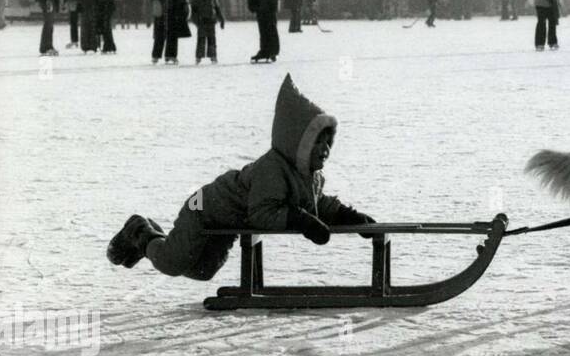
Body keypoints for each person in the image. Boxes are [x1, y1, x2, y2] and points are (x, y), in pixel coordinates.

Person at [107, 74, 376, 280]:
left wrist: (347, 216)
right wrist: (302, 221)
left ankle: (152, 236)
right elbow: (262, 214)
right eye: (319, 143)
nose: (326, 150)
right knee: (172, 262)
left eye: (329, 143)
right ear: (298, 142)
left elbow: (317, 203)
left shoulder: (309, 176)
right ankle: (141, 233)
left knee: (203, 271)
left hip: (226, 218)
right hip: (202, 207)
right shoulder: (272, 169)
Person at [190, 0, 226, 64]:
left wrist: (221, 19)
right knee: (201, 40)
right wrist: (196, 21)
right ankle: (199, 57)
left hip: (211, 21)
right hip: (201, 21)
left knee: (212, 40)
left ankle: (213, 56)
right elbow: (193, 10)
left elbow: (217, 8)